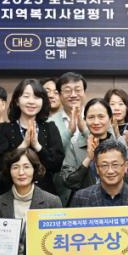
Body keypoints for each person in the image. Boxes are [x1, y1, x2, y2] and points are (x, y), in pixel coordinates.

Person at [0, 79, 65, 195]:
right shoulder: (4, 128)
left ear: (43, 102)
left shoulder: (50, 127)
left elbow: (57, 165)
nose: (31, 101)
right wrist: (23, 146)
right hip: (11, 193)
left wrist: (37, 146)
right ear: (17, 101)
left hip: (45, 194)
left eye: (36, 97)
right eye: (26, 96)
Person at [50, 73, 90, 205]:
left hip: (93, 186)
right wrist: (69, 132)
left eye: (78, 90)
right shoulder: (50, 123)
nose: (73, 95)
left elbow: (106, 148)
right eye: (67, 91)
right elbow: (50, 156)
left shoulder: (97, 117)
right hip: (61, 190)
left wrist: (85, 130)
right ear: (60, 95)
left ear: (84, 93)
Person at [61, 98, 116, 194]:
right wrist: (88, 159)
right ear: (85, 120)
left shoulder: (119, 146)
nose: (96, 122)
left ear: (110, 119)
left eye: (101, 117)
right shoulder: (74, 147)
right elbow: (68, 182)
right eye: (91, 117)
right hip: (84, 200)